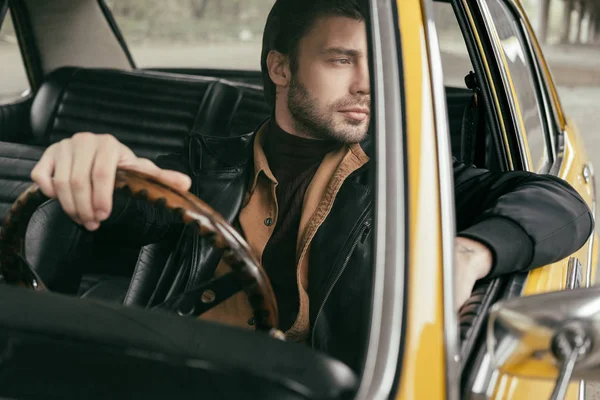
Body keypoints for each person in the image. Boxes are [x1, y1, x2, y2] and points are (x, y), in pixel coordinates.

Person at [30, 0, 593, 371]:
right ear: (280, 69)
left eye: (374, 63)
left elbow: (563, 203)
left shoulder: (404, 178)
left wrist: (469, 253)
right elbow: (110, 217)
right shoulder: (205, 168)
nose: (367, 84)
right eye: (340, 60)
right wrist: (93, 169)